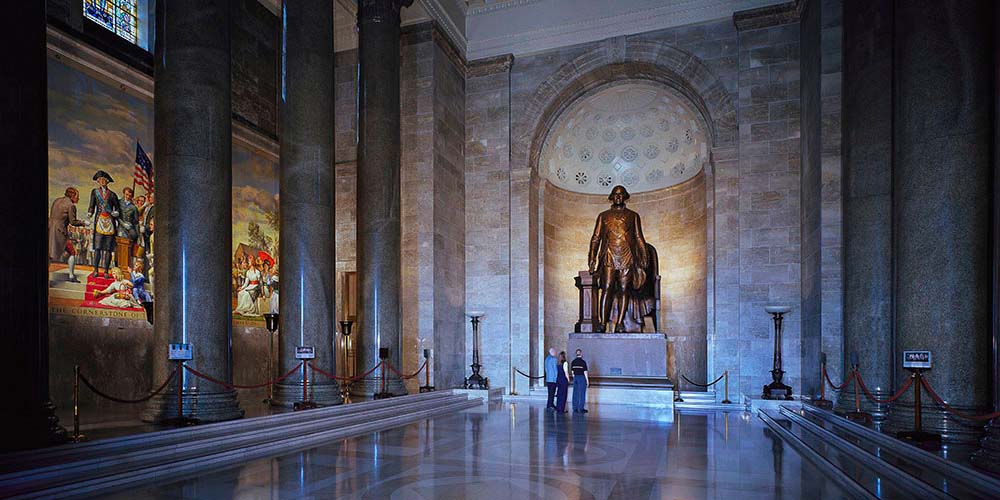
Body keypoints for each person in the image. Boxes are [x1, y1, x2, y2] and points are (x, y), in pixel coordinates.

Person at [588, 185, 650, 333]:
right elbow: (596, 238)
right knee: (607, 288)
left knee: (624, 290)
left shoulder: (633, 215)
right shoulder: (603, 216)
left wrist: (644, 255)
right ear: (611, 196)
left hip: (627, 255)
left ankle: (620, 323)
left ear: (625, 196)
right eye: (615, 194)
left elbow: (638, 237)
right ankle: (603, 323)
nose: (618, 197)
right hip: (609, 254)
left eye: (621, 194)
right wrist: (592, 257)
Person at [48, 187, 86, 282]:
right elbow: (73, 222)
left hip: (50, 229)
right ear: (72, 196)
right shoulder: (71, 205)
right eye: (77, 196)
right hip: (60, 232)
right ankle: (71, 276)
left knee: (49, 254)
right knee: (72, 252)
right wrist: (83, 223)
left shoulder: (57, 201)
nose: (78, 199)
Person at [87, 170, 120, 279]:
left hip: (110, 223)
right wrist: (89, 213)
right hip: (99, 222)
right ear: (98, 181)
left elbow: (117, 207)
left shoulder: (113, 194)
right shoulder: (94, 192)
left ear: (107, 181)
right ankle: (96, 270)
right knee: (97, 247)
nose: (102, 181)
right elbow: (92, 205)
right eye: (100, 180)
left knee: (108, 249)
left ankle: (106, 270)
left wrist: (117, 212)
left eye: (104, 180)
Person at [118, 187, 140, 264]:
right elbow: (117, 216)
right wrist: (122, 223)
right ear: (124, 194)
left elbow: (136, 222)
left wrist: (137, 234)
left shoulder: (133, 208)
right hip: (121, 227)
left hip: (130, 228)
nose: (127, 197)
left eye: (129, 195)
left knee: (130, 245)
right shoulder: (119, 203)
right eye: (126, 195)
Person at [571, 349, 590, 413]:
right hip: (582, 377)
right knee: (582, 393)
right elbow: (585, 372)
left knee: (575, 393)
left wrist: (575, 378)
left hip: (575, 377)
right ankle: (581, 408)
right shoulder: (583, 362)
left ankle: (575, 408)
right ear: (581, 354)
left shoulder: (573, 362)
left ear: (576, 354)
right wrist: (587, 381)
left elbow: (572, 372)